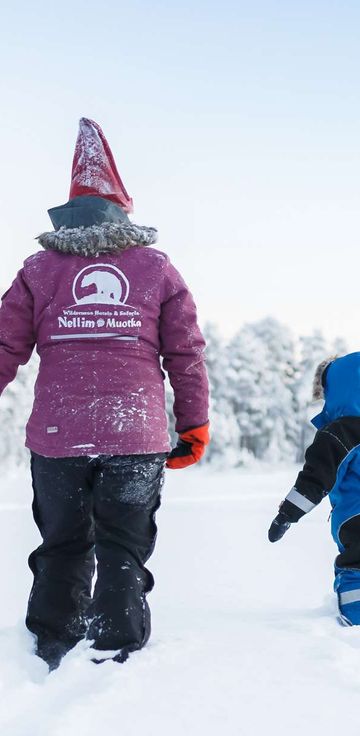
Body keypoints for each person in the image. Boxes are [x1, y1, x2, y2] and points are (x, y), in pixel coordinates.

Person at [0, 118, 209, 669]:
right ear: (123, 209)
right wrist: (194, 423)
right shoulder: (156, 268)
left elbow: (4, 346)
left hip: (57, 435)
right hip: (134, 430)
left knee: (63, 540)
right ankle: (116, 644)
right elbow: (185, 354)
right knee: (123, 539)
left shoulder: (39, 269)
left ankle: (50, 638)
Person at [268, 352, 360, 626]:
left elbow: (315, 480)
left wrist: (287, 514)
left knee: (356, 570)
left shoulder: (341, 431)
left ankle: (354, 623)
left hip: (356, 522)